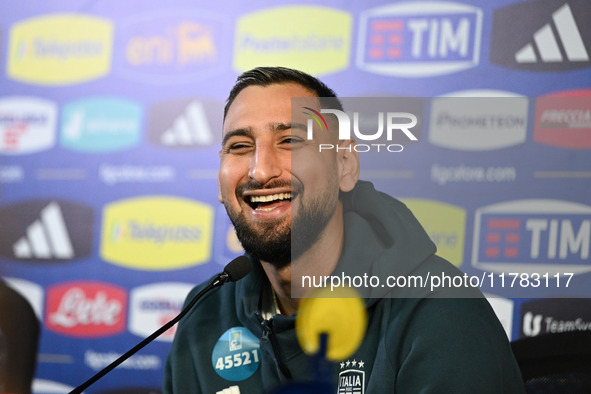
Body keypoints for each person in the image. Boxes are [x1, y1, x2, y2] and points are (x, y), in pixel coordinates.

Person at [163, 67, 525, 393]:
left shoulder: (438, 309)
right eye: (239, 147)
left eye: (290, 140)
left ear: (345, 165)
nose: (259, 170)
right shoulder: (205, 315)